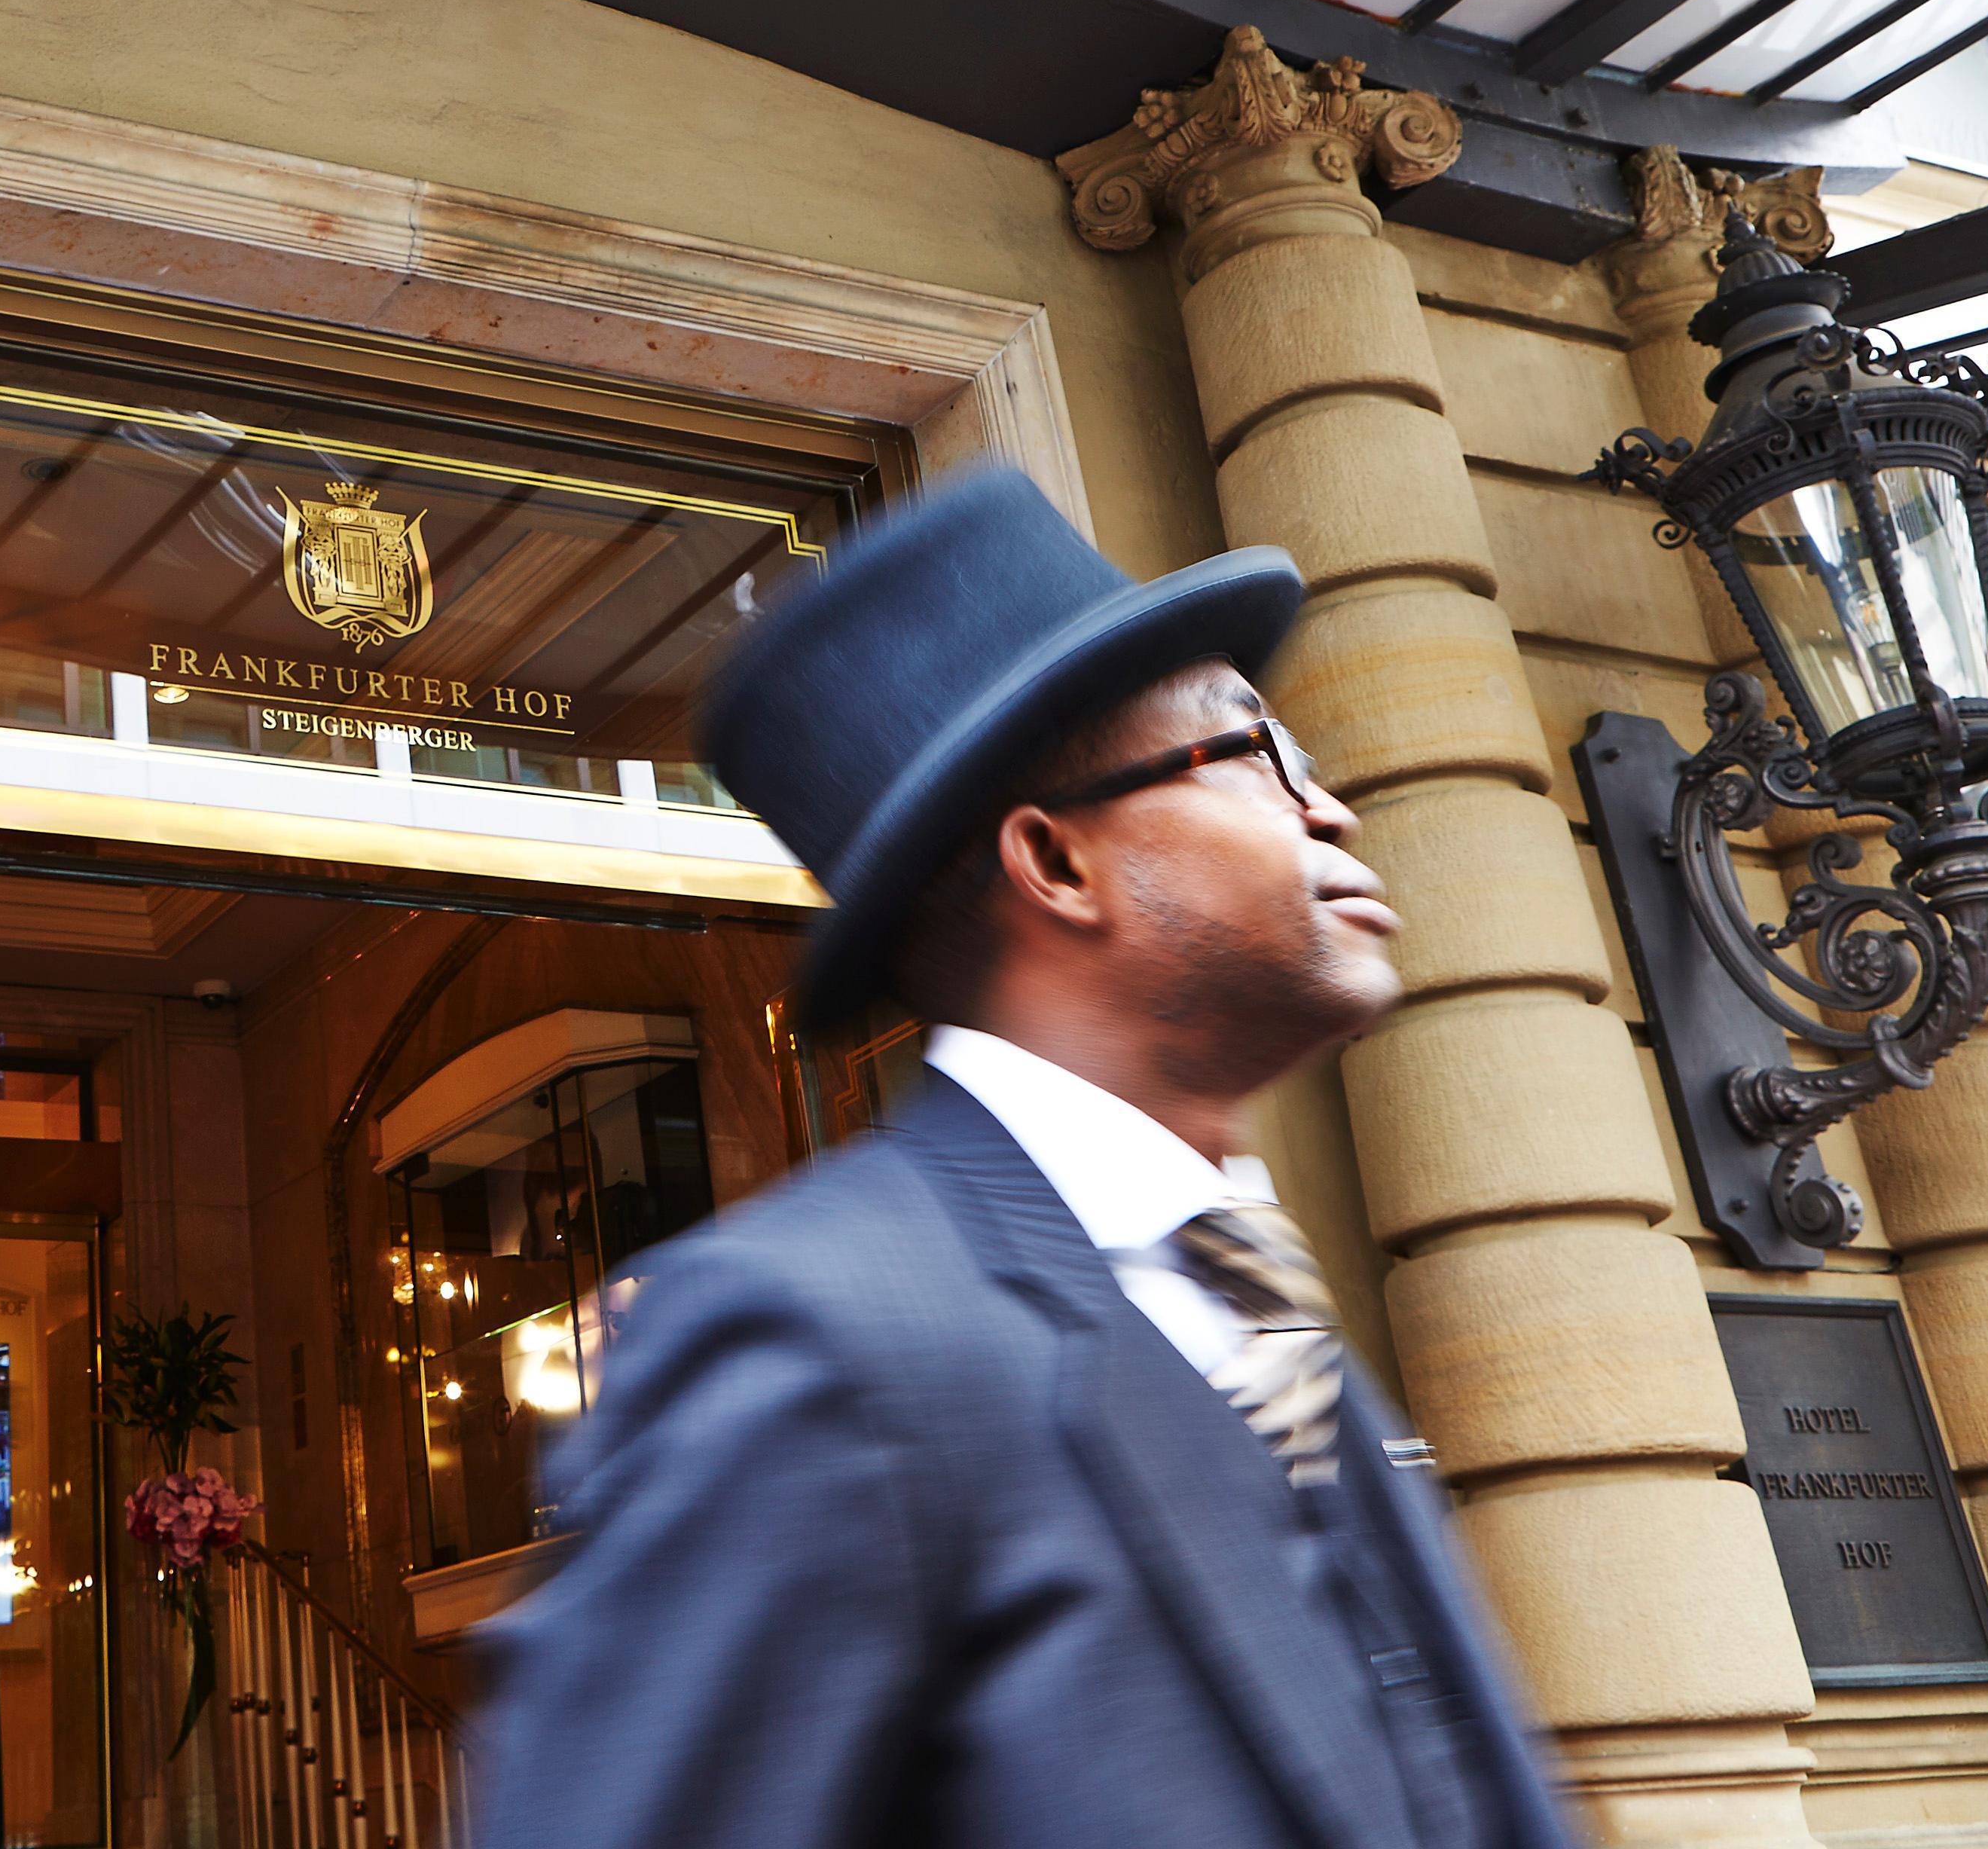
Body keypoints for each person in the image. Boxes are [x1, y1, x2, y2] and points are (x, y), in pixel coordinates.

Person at [472, 467, 1574, 1849]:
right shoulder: (808, 1339)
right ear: (1055, 863)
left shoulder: (1255, 1295)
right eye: (1258, 756)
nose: (1333, 811)